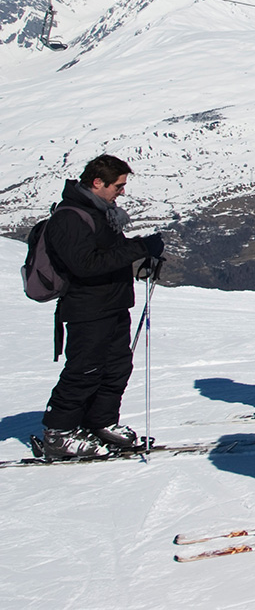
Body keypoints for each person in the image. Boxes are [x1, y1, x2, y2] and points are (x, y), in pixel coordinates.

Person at [37, 155, 166, 460]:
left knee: (116, 367)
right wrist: (139, 249)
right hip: (87, 308)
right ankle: (58, 433)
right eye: (118, 186)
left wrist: (141, 250)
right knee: (84, 370)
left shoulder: (100, 213)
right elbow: (85, 265)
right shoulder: (70, 217)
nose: (122, 191)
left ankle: (100, 422)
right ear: (98, 182)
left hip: (112, 303)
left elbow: (107, 253)